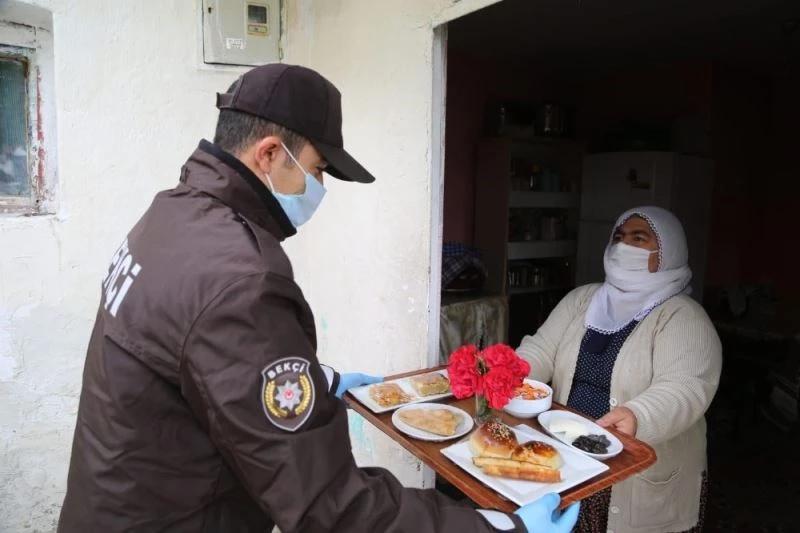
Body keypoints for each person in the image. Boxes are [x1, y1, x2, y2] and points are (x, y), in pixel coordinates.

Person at [57, 63, 579, 533]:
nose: (320, 185)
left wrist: (317, 382)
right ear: (269, 154)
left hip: (114, 503)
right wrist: (498, 528)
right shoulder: (242, 278)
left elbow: (193, 359)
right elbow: (328, 506)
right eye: (318, 168)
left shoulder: (170, 216)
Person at [517, 206, 722, 533]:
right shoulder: (583, 299)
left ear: (669, 252)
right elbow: (542, 349)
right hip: (570, 455)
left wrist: (637, 415)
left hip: (633, 475)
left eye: (639, 238)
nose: (623, 246)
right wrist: (512, 374)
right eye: (619, 237)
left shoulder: (682, 316)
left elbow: (685, 387)